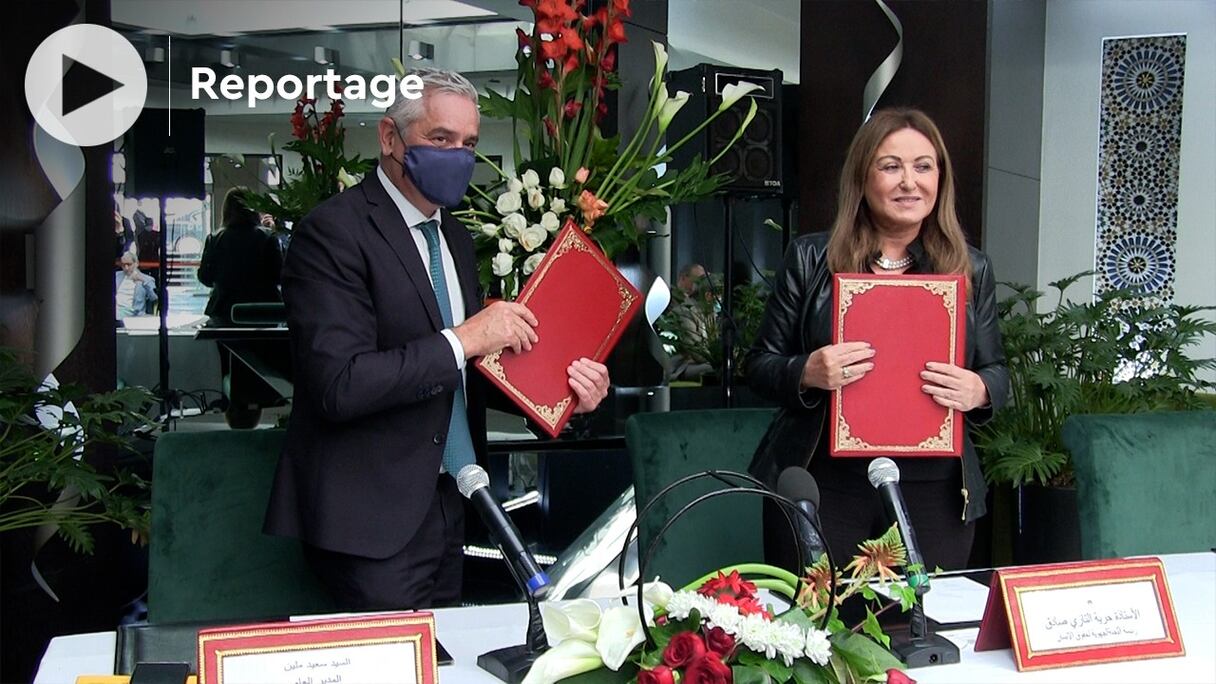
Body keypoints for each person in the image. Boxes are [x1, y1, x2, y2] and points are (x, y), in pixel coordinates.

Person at [263, 68, 611, 611]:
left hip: (454, 504)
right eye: (440, 139)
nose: (458, 155)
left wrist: (564, 390)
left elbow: (462, 376)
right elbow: (340, 384)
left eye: (468, 143)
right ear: (389, 138)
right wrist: (465, 337)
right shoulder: (332, 232)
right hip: (370, 520)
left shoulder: (452, 234)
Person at [745, 108, 1009, 572]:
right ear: (862, 178)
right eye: (891, 166)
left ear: (939, 180)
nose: (910, 181)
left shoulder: (970, 268)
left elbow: (998, 372)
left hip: (937, 492)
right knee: (821, 634)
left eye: (923, 166)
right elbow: (759, 365)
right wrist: (806, 371)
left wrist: (980, 390)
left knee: (923, 629)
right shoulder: (811, 258)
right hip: (825, 484)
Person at [197, 188, 283, 324]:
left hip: (225, 312)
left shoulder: (215, 239)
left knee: (230, 345)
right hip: (264, 311)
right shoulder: (267, 237)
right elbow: (279, 276)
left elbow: (205, 278)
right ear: (253, 208)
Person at [114, 251, 157, 318]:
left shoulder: (147, 279)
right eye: (123, 265)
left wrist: (143, 281)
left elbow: (154, 298)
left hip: (134, 312)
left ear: (136, 263)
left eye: (129, 264)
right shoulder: (116, 276)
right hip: (116, 309)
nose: (126, 268)